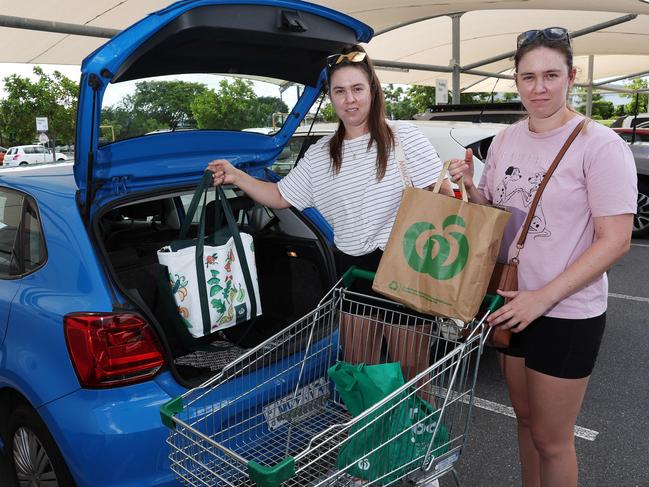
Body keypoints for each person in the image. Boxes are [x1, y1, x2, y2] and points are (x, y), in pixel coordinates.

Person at [448, 27, 637, 487]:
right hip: (513, 304)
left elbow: (616, 239)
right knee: (526, 423)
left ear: (571, 77)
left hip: (567, 312)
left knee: (554, 440)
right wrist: (472, 188)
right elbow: (492, 217)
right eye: (528, 77)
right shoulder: (506, 139)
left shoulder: (600, 145)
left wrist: (542, 298)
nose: (540, 87)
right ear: (516, 80)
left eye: (551, 75)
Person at [207, 45, 453, 394]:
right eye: (339, 91)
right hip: (353, 271)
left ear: (373, 90)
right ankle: (374, 443)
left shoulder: (405, 138)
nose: (349, 100)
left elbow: (442, 197)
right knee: (361, 371)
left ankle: (416, 441)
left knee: (412, 371)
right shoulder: (322, 153)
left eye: (357, 89)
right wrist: (237, 177)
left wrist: (462, 189)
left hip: (406, 269)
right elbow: (280, 197)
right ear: (331, 97)